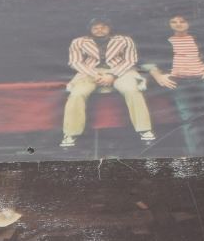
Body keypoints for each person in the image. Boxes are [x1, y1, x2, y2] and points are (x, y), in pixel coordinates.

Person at [143, 14, 204, 157]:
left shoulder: (201, 38)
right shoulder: (164, 41)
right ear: (169, 24)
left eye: (182, 21)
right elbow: (147, 60)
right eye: (174, 21)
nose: (178, 24)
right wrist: (158, 75)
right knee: (187, 119)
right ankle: (195, 156)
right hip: (179, 82)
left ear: (189, 23)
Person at [61, 19, 155, 149]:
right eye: (95, 27)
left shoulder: (125, 40)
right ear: (90, 29)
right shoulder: (78, 41)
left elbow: (130, 60)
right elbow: (75, 62)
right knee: (77, 94)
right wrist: (95, 75)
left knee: (131, 90)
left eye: (103, 27)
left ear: (110, 27)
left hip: (120, 71)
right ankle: (71, 133)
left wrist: (112, 75)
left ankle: (144, 129)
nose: (99, 30)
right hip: (89, 72)